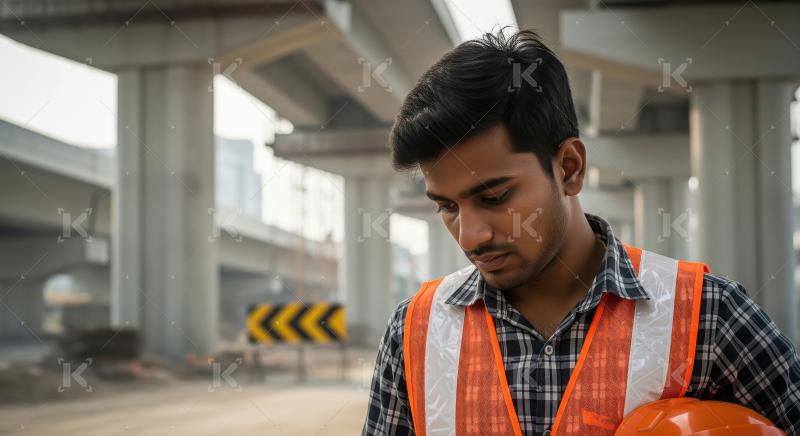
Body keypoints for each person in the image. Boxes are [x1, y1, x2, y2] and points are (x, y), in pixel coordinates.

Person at [361, 28, 800, 435]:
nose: (471, 236)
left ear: (569, 168)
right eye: (447, 207)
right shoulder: (414, 331)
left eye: (494, 198)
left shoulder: (709, 315)